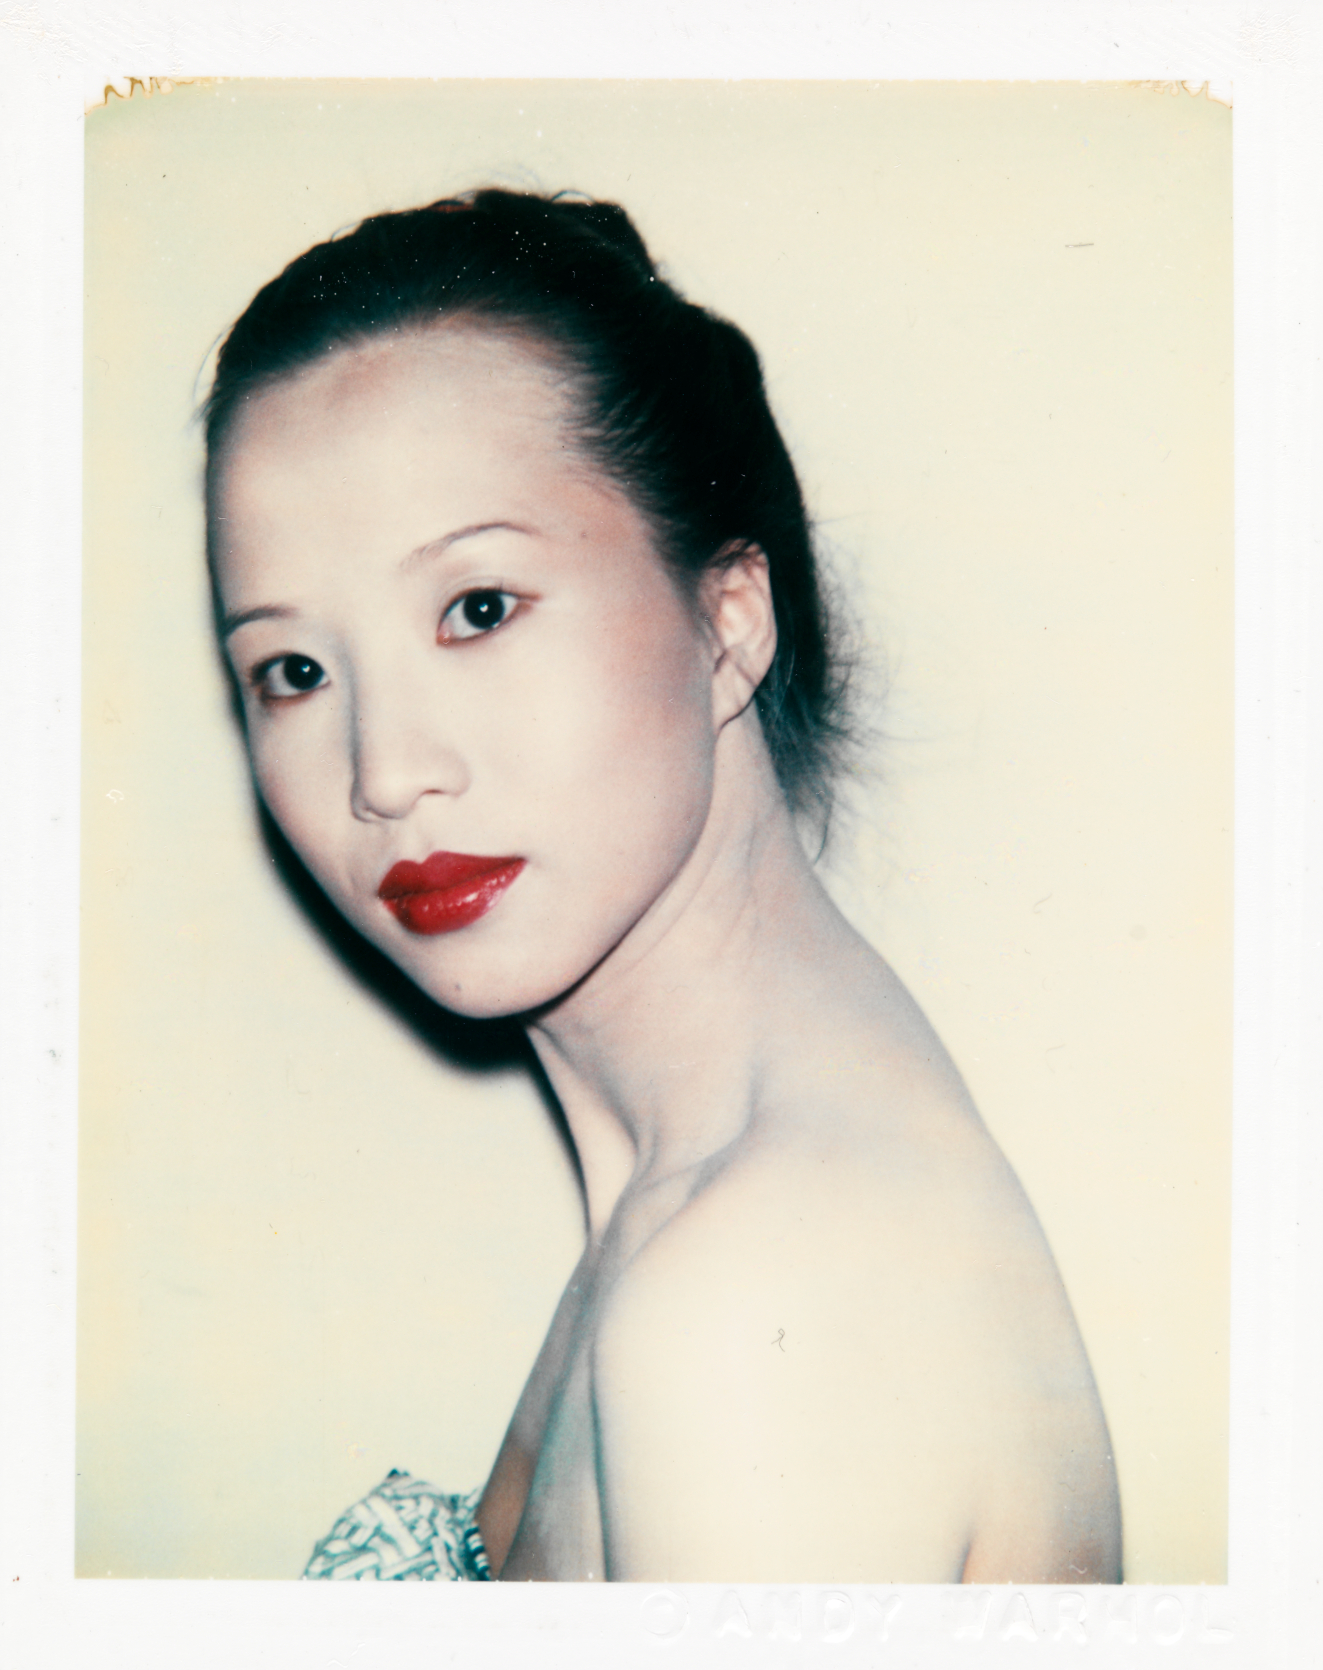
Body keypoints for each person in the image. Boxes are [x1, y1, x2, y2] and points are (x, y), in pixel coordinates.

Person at [203, 188, 1122, 1584]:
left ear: (727, 621)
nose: (383, 772)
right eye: (295, 670)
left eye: (478, 609)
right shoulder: (696, 1201)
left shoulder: (764, 1292)